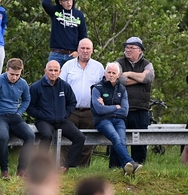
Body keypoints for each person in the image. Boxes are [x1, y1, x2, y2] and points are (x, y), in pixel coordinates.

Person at [0, 58, 34, 180]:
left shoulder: (23, 83)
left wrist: (19, 112)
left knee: (30, 136)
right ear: (6, 70)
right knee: (4, 137)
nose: (14, 77)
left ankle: (21, 170)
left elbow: (26, 99)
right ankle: (4, 170)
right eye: (12, 74)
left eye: (17, 75)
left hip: (14, 116)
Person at [28, 60, 84, 172]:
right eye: (50, 70)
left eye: (55, 70)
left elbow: (72, 102)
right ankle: (40, 165)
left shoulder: (64, 86)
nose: (53, 73)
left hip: (61, 120)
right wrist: (41, 115)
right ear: (45, 71)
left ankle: (66, 166)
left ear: (60, 72)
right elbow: (29, 107)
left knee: (80, 137)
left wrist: (65, 114)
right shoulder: (36, 87)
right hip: (43, 121)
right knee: (47, 136)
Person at [60, 38, 104, 166]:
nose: (85, 51)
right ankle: (63, 169)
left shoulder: (99, 67)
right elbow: (61, 87)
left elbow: (103, 87)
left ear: (92, 51)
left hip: (90, 111)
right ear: (78, 49)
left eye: (87, 48)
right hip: (71, 111)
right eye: (82, 48)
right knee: (66, 141)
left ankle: (82, 171)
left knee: (87, 144)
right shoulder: (68, 66)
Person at [92, 62, 141, 176]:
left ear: (118, 75)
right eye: (109, 72)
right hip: (102, 120)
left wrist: (106, 107)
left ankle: (127, 168)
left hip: (119, 120)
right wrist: (115, 107)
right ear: (105, 73)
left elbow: (124, 111)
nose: (111, 75)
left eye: (114, 73)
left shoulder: (122, 89)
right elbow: (99, 110)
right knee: (115, 138)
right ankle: (130, 162)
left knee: (122, 141)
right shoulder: (97, 88)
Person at [113, 37, 154, 166]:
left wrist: (129, 73)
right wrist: (140, 78)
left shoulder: (147, 64)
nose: (128, 50)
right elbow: (119, 80)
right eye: (127, 47)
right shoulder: (118, 63)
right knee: (118, 140)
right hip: (121, 109)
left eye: (132, 47)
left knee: (140, 143)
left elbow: (148, 78)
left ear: (140, 50)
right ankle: (116, 168)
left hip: (141, 109)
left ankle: (139, 166)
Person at [41, 0, 87, 66]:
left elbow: (83, 35)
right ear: (60, 2)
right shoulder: (55, 11)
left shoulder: (79, 15)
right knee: (51, 78)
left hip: (72, 55)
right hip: (56, 54)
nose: (69, 2)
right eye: (65, 0)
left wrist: (78, 52)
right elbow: (45, 3)